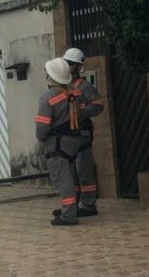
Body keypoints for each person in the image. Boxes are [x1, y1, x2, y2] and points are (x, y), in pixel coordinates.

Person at [35, 57, 82, 226]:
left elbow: (42, 127)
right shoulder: (75, 92)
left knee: (62, 178)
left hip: (57, 143)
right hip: (74, 140)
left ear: (50, 76)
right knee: (70, 176)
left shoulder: (47, 99)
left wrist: (41, 139)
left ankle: (69, 215)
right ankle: (71, 209)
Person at [62, 47, 104, 217]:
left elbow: (98, 105)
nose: (67, 67)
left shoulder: (84, 86)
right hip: (69, 135)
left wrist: (82, 112)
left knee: (83, 169)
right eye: (66, 63)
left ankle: (88, 205)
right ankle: (74, 205)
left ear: (78, 67)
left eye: (71, 64)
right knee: (71, 172)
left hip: (82, 135)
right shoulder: (63, 86)